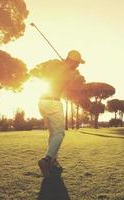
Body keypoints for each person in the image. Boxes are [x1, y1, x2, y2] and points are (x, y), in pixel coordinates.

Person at [38, 50, 85, 178]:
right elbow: (74, 87)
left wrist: (66, 68)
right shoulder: (70, 72)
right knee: (59, 133)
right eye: (78, 63)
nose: (78, 66)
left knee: (53, 134)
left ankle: (53, 161)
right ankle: (47, 160)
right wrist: (74, 74)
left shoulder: (55, 65)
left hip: (42, 102)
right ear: (73, 61)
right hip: (53, 102)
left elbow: (46, 72)